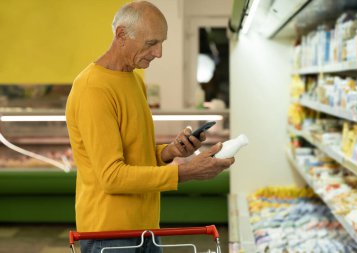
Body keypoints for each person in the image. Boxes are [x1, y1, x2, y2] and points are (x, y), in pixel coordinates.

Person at [65, 1, 234, 252]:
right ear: (121, 35)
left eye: (161, 43)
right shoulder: (93, 89)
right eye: (151, 43)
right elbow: (112, 177)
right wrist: (186, 172)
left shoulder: (134, 81)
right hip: (109, 235)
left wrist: (170, 153)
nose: (159, 53)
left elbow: (134, 156)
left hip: (146, 229)